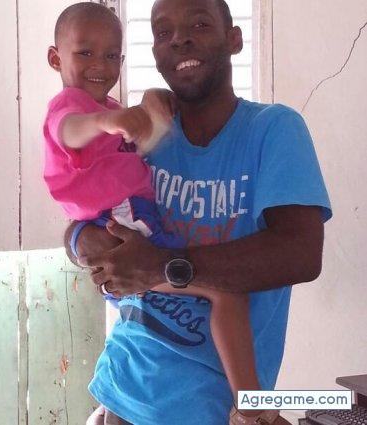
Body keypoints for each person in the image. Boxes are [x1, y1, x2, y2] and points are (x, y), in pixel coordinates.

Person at [64, 0, 332, 424]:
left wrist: (161, 265)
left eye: (200, 25)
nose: (180, 40)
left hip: (212, 410)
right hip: (119, 394)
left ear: (234, 39)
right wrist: (81, 243)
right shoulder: (142, 136)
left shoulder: (273, 129)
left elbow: (300, 253)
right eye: (163, 32)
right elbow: (83, 213)